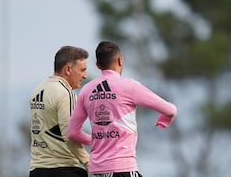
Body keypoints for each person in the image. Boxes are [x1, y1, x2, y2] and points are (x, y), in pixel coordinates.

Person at [67, 41, 177, 177]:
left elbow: (72, 132)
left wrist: (97, 139)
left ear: (98, 65)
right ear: (120, 60)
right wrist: (165, 118)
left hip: (96, 171)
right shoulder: (129, 86)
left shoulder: (86, 90)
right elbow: (170, 110)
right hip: (122, 169)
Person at [29, 46, 91, 177]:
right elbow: (70, 133)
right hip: (63, 170)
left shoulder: (38, 90)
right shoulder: (65, 93)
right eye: (82, 70)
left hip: (37, 171)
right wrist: (88, 162)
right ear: (68, 69)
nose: (85, 76)